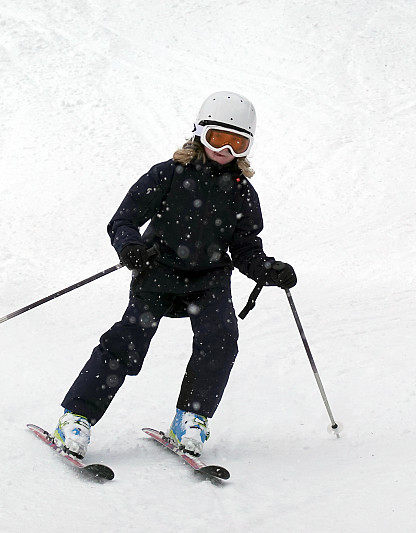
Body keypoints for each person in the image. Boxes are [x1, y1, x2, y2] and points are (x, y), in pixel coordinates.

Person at [52, 91, 297, 458]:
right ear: (200, 132)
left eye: (238, 144)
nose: (225, 151)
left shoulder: (243, 194)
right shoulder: (167, 175)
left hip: (209, 281)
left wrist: (267, 269)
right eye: (219, 138)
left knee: (222, 337)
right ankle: (76, 417)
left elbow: (246, 249)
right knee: (129, 339)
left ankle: (191, 420)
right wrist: (130, 248)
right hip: (157, 272)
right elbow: (124, 220)